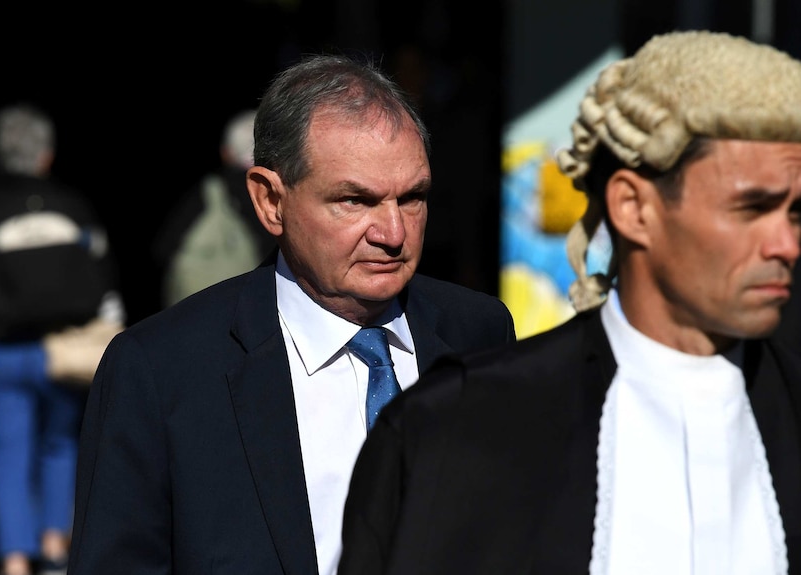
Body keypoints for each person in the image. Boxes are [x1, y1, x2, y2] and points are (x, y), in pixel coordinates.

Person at [338, 30, 801, 575]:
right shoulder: (459, 428)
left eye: (795, 212)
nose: (786, 245)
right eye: (751, 208)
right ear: (633, 207)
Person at [66, 53, 515, 575]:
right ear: (270, 201)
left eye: (412, 198)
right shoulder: (161, 371)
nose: (393, 233)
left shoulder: (478, 332)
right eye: (355, 201)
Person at [0, 103, 125, 575]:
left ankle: (16, 560)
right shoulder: (73, 205)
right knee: (61, 445)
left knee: (7, 453)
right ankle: (55, 547)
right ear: (46, 155)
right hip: (63, 351)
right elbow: (104, 279)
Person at [152, 108, 276, 308]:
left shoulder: (207, 193)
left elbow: (163, 248)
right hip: (257, 307)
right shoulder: (282, 194)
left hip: (199, 310)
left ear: (225, 153)